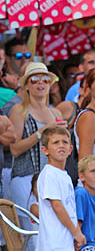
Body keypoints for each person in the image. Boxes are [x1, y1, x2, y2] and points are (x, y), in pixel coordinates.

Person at [9, 63, 64, 222]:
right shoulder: (20, 111)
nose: (41, 83)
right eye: (34, 80)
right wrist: (42, 132)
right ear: (26, 85)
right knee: (31, 233)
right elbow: (14, 149)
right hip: (25, 179)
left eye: (45, 80)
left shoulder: (55, 112)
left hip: (51, 178)